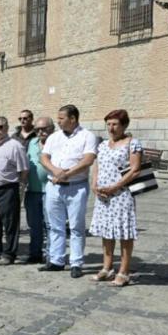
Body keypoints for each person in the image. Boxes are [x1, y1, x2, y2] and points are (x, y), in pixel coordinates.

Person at [39, 104, 98, 278]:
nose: (58, 121)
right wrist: (55, 170)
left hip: (76, 187)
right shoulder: (54, 137)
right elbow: (44, 157)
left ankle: (76, 262)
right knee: (55, 226)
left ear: (73, 119)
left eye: (61, 118)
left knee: (76, 227)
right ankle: (57, 260)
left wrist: (66, 174)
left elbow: (88, 159)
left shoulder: (87, 136)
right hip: (54, 187)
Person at [88, 110, 143, 287]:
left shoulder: (132, 144)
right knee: (106, 231)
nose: (111, 128)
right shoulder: (103, 145)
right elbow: (97, 165)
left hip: (121, 195)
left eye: (115, 124)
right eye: (109, 124)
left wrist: (115, 187)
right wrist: (94, 184)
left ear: (124, 125)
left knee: (124, 233)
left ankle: (124, 271)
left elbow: (135, 170)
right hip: (103, 196)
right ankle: (107, 267)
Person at [0, 117, 29, 264]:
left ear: (7, 127)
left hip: (7, 190)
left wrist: (19, 189)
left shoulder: (15, 146)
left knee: (10, 224)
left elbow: (24, 171)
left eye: (0, 127)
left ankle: (9, 254)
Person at [24, 117, 54, 264]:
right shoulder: (32, 143)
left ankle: (51, 255)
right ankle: (35, 253)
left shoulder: (57, 143)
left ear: (52, 128)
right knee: (34, 225)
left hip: (51, 191)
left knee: (51, 225)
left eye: (44, 129)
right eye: (37, 129)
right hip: (33, 190)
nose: (40, 132)